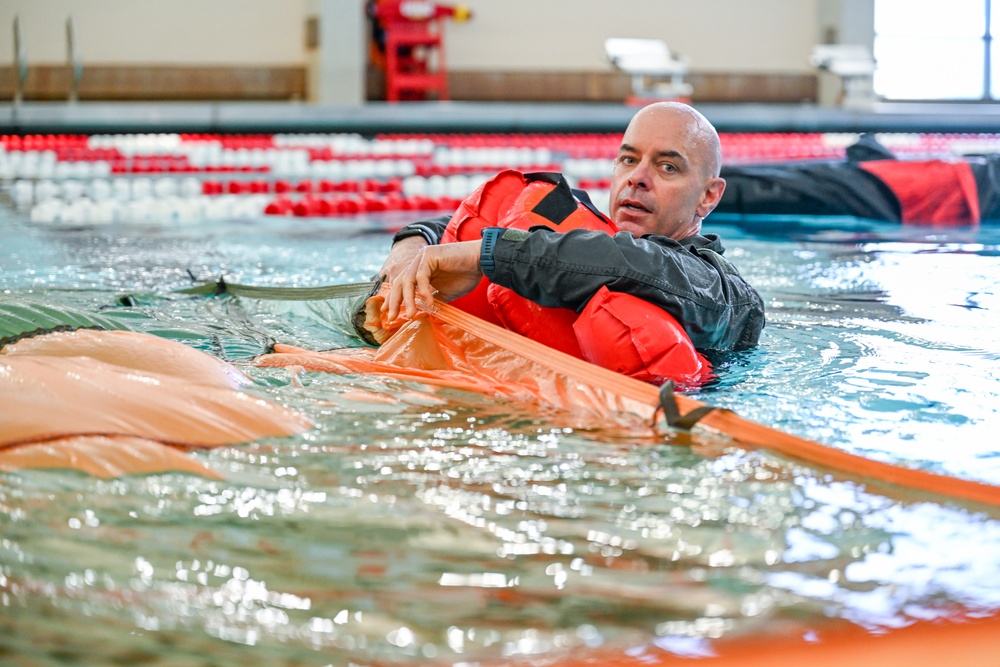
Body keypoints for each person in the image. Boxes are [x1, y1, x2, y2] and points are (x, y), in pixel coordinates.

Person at [377, 101, 765, 354]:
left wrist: (486, 252)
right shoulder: (588, 228)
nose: (638, 179)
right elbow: (474, 219)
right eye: (628, 160)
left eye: (668, 167)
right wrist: (412, 244)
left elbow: (632, 263)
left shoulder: (725, 294)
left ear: (708, 197)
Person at [714, 132, 1000, 225]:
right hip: (918, 189)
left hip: (918, 186)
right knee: (790, 187)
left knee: (792, 186)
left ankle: (687, 187)